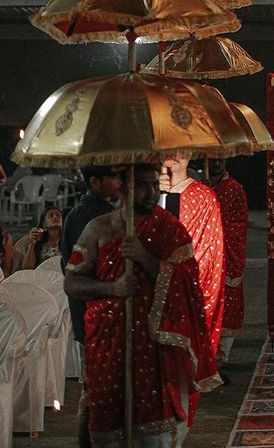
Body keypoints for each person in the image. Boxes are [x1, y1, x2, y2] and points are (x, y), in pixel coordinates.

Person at [64, 163, 219, 446]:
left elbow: (188, 281)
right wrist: (112, 288)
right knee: (108, 429)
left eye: (154, 184)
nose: (151, 193)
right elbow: (72, 283)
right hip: (108, 348)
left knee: (153, 433)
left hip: (152, 349)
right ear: (123, 188)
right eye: (143, 186)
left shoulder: (169, 229)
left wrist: (145, 257)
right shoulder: (99, 228)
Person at [60, 166, 122, 448]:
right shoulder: (96, 218)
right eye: (111, 177)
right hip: (95, 316)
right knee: (96, 392)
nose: (117, 182)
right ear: (95, 182)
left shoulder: (77, 213)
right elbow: (73, 271)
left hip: (86, 313)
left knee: (94, 389)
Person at [159, 153, 225, 359]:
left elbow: (209, 257)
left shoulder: (203, 197)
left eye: (182, 148)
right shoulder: (144, 195)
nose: (175, 154)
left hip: (184, 294)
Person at [207, 158, 248, 369]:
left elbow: (238, 224)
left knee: (228, 308)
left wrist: (216, 229)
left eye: (220, 159)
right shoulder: (197, 189)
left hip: (226, 256)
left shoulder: (234, 189)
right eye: (211, 158)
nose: (216, 163)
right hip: (203, 258)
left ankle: (219, 364)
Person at [12, 205, 63, 272]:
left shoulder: (67, 241)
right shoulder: (39, 242)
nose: (55, 217)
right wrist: (32, 244)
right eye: (51, 215)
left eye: (58, 215)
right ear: (44, 224)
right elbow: (26, 269)